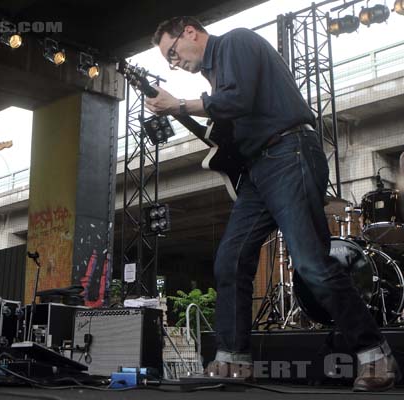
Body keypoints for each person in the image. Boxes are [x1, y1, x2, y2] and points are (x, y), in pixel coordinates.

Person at [146, 16, 400, 391]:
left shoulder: (235, 42)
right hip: (258, 170)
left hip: (288, 151)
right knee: (230, 259)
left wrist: (179, 105)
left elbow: (236, 99)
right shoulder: (216, 75)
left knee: (312, 263)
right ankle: (232, 360)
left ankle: (375, 355)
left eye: (173, 52)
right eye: (169, 60)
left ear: (190, 32)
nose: (175, 62)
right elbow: (232, 117)